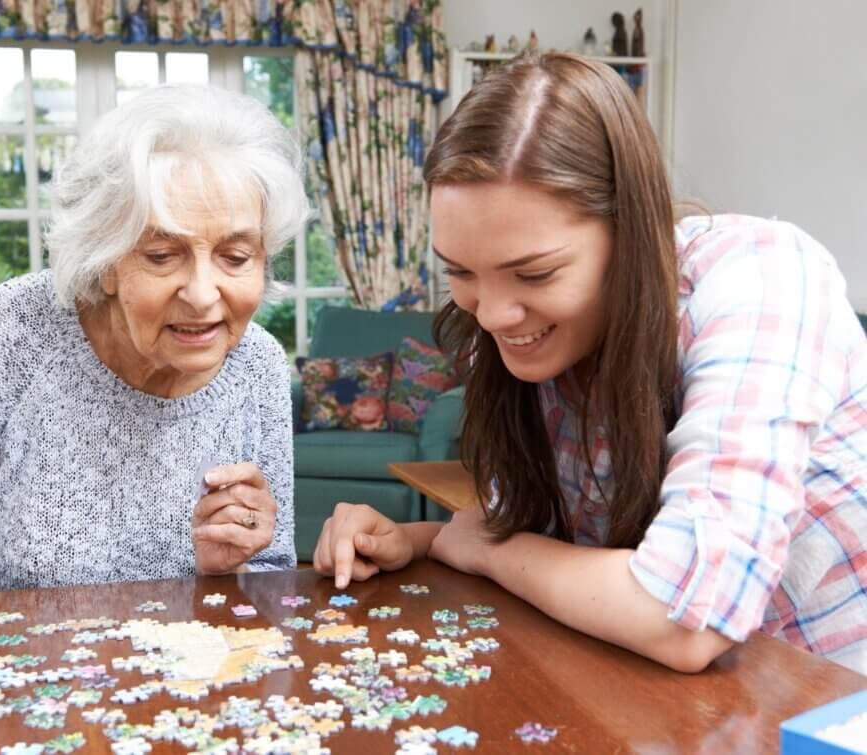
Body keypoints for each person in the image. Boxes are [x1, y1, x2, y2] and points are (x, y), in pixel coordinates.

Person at [314, 53, 867, 674]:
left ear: (630, 230)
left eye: (535, 272)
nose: (492, 315)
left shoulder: (763, 277)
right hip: (668, 699)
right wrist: (406, 540)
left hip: (827, 700)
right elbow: (541, 539)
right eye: (461, 272)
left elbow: (682, 618)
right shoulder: (538, 337)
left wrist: (491, 552)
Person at [0, 84, 308, 662]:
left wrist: (233, 560)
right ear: (104, 263)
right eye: (161, 255)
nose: (204, 296)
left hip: (166, 685)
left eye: (235, 257)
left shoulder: (260, 365)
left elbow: (270, 578)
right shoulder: (7, 332)